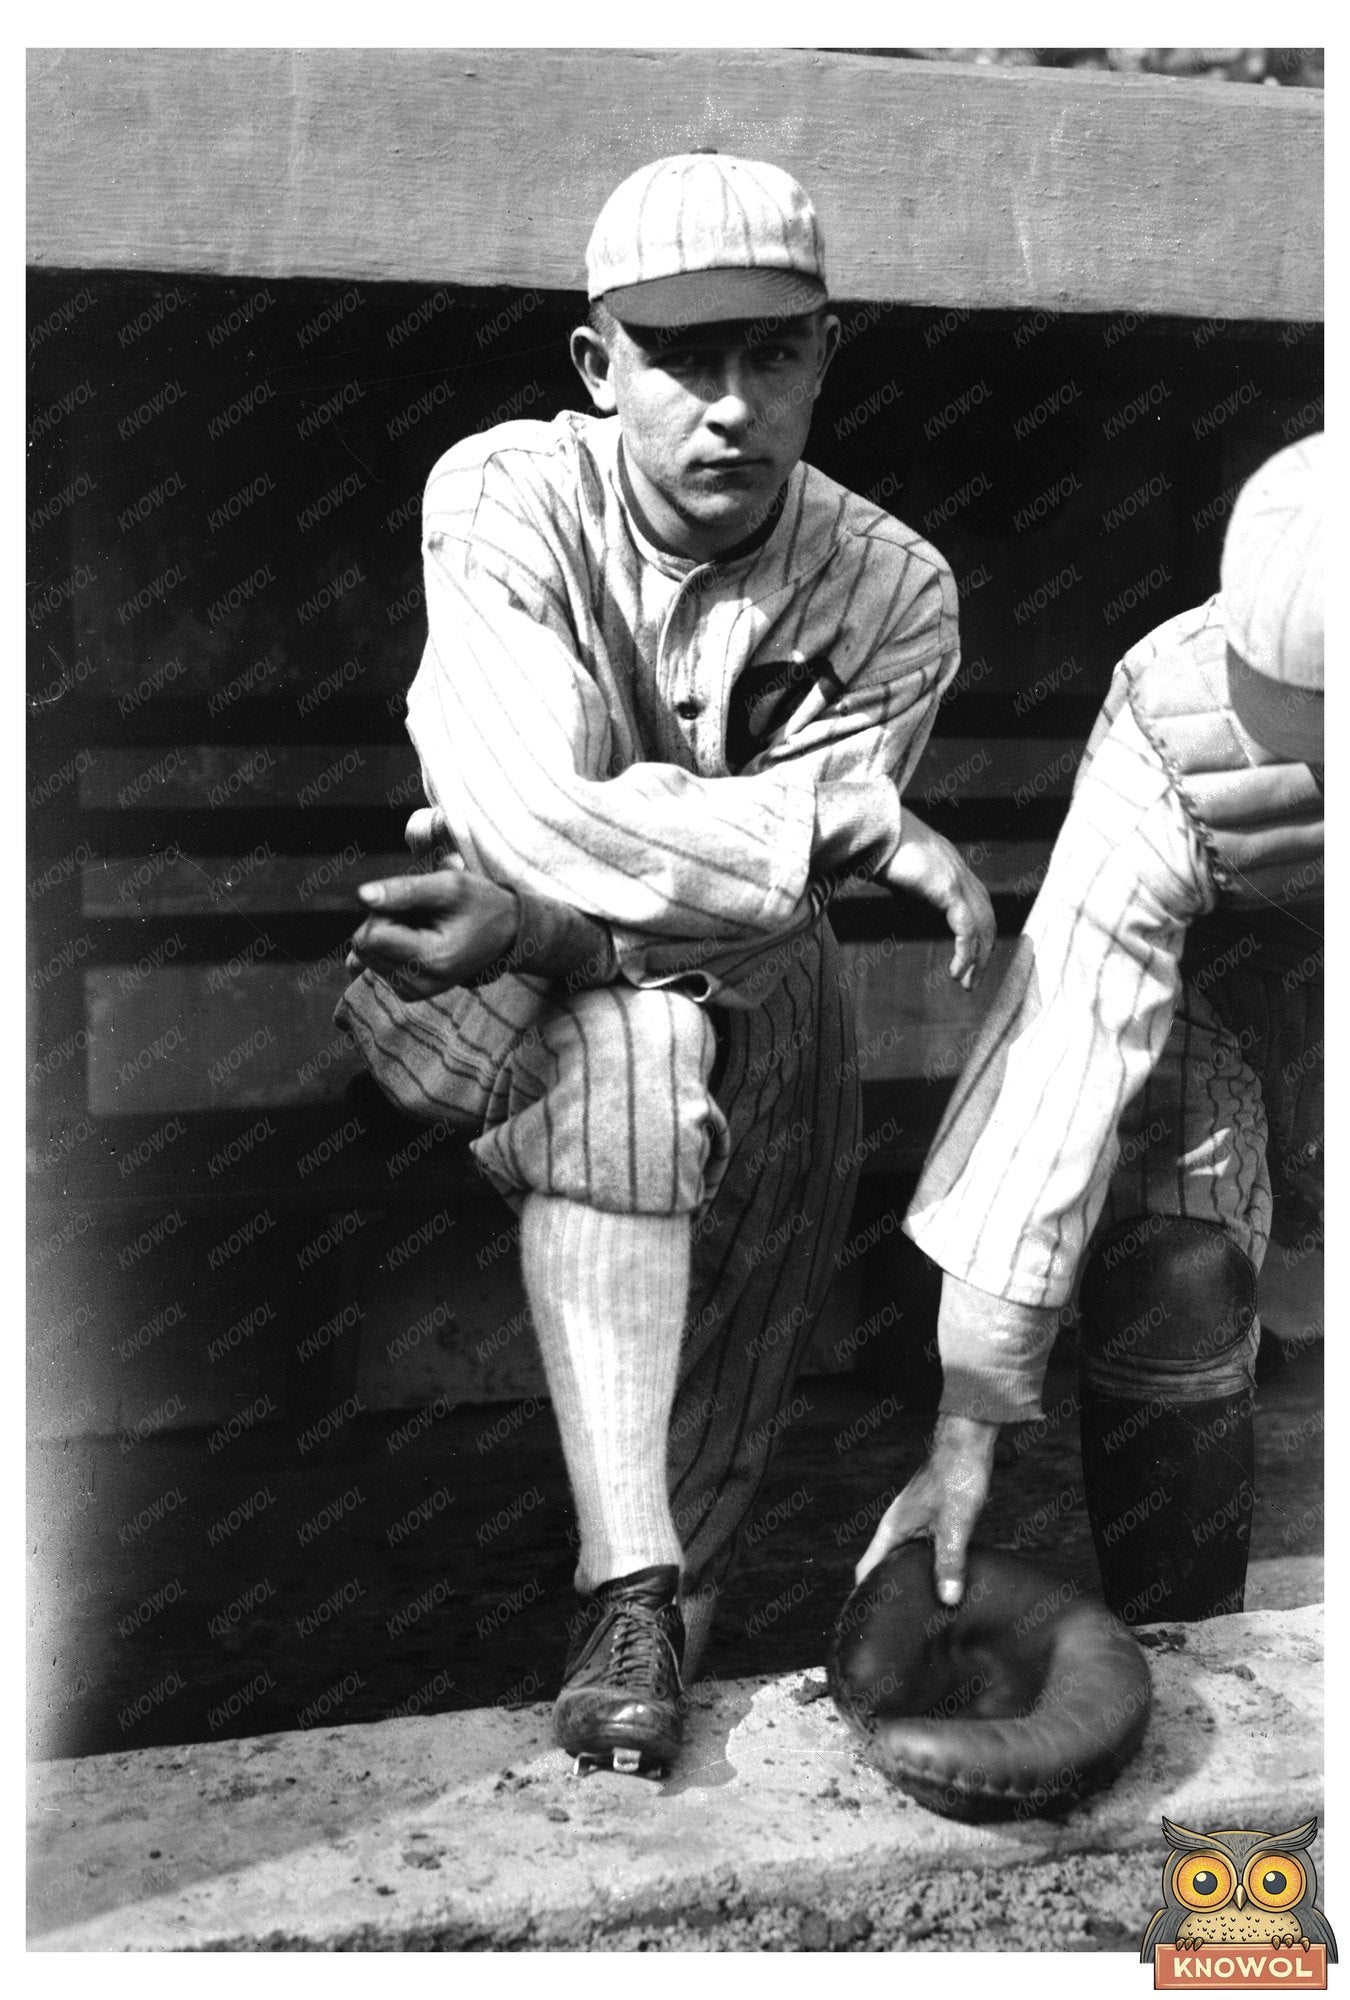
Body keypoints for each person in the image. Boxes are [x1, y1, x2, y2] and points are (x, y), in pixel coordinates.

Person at [338, 150, 995, 1777]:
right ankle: (627, 1595)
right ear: (598, 364)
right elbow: (515, 809)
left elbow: (660, 899)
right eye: (683, 355)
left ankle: (643, 1638)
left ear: (826, 353)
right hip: (455, 988)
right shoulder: (505, 490)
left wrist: (608, 893)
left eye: (770, 353)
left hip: (748, 1008)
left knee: (679, 1045)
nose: (728, 404)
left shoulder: (896, 590)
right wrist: (798, 840)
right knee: (637, 1037)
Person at [860, 434, 1324, 1629]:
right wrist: (969, 1418)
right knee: (1174, 1269)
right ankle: (1196, 1660)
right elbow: (1068, 1044)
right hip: (1234, 982)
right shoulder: (1178, 724)